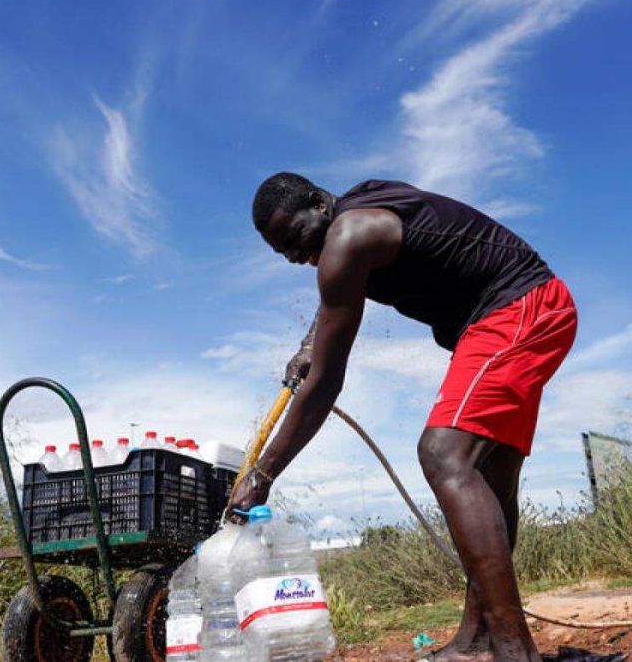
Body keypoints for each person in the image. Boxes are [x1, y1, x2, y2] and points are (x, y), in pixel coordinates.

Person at [227, 173, 577, 662]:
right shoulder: (360, 209)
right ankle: (476, 640)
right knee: (491, 481)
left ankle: (515, 652)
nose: (291, 256)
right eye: (280, 251)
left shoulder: (346, 239)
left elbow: (326, 382)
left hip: (516, 309)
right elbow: (336, 302)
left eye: (294, 238)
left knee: (442, 453)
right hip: (530, 307)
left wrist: (262, 474)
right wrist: (312, 344)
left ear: (318, 202)